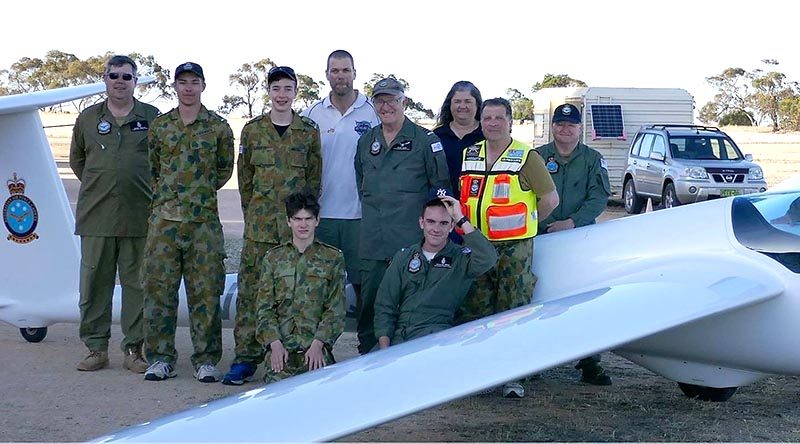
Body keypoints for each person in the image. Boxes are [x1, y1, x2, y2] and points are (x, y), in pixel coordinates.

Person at [222, 65, 322, 386]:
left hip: (295, 231)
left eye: (288, 89)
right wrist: (254, 216)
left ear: (296, 92)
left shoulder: (308, 131)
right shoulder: (252, 132)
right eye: (276, 88)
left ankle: (287, 358)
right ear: (269, 92)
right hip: (260, 231)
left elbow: (313, 181)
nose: (282, 95)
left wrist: (302, 222)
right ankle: (245, 358)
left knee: (293, 294)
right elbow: (245, 182)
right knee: (251, 294)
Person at [455, 97, 559, 398]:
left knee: (513, 307)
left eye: (499, 118)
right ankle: (480, 372)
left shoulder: (527, 157)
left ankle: (514, 375)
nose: (492, 124)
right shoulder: (469, 154)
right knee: (477, 306)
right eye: (487, 118)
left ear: (510, 122)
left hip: (514, 247)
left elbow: (550, 200)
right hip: (477, 244)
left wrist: (528, 224)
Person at [141, 62, 235, 383]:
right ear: (176, 87)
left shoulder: (219, 127)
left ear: (204, 86)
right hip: (164, 224)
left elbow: (223, 171)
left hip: (203, 224)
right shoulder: (161, 127)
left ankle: (206, 360)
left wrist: (196, 195)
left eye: (195, 82)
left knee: (206, 294)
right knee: (159, 293)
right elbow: (154, 167)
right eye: (183, 82)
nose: (189, 88)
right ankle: (160, 358)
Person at [69, 55, 160, 373]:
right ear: (105, 80)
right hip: (97, 216)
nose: (120, 81)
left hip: (140, 217)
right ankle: (96, 348)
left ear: (136, 81)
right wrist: (104, 183)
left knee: (138, 285)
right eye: (114, 76)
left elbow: (161, 161)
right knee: (94, 284)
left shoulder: (151, 116)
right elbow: (78, 162)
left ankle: (134, 349)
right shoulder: (88, 118)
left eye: (127, 76)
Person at [354, 77, 450, 354]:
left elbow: (439, 190)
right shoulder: (365, 141)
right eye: (380, 101)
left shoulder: (425, 140)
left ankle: (408, 355)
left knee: (409, 300)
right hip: (373, 236)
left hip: (408, 237)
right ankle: (368, 354)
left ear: (404, 102)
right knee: (370, 300)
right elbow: (362, 182)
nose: (386, 106)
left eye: (392, 100)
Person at [534, 103, 613, 386]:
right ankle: (535, 360)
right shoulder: (538, 157)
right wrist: (546, 224)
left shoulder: (593, 159)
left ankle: (590, 362)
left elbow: (598, 198)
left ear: (580, 128)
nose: (565, 129)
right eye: (560, 124)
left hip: (580, 241)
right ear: (552, 126)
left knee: (585, 301)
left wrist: (572, 223)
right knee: (539, 298)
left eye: (571, 125)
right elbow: (528, 195)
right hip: (543, 238)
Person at [300, 50, 379, 300]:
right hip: (324, 216)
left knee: (363, 287)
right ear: (326, 75)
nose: (340, 76)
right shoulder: (312, 114)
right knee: (321, 287)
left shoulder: (373, 111)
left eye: (346, 70)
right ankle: (318, 341)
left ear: (355, 73)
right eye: (335, 71)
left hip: (360, 216)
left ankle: (368, 340)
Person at [374, 188, 497, 349]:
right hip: (398, 338)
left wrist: (460, 218)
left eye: (444, 223)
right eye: (431, 221)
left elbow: (488, 258)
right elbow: (385, 306)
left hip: (435, 337)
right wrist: (385, 352)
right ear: (421, 223)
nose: (436, 229)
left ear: (452, 226)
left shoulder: (461, 259)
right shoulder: (404, 257)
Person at [256, 191, 345, 383]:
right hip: (282, 350)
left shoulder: (333, 259)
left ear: (317, 220)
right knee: (276, 401)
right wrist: (274, 344)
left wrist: (318, 344)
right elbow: (264, 308)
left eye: (308, 219)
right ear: (289, 221)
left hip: (315, 350)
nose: (303, 225)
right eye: (297, 219)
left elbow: (335, 309)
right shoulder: (273, 258)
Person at [432, 81, 484, 192]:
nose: (462, 106)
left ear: (477, 104)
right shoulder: (436, 136)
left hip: (479, 203)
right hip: (444, 202)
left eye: (468, 101)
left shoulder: (487, 135)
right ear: (450, 104)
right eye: (457, 101)